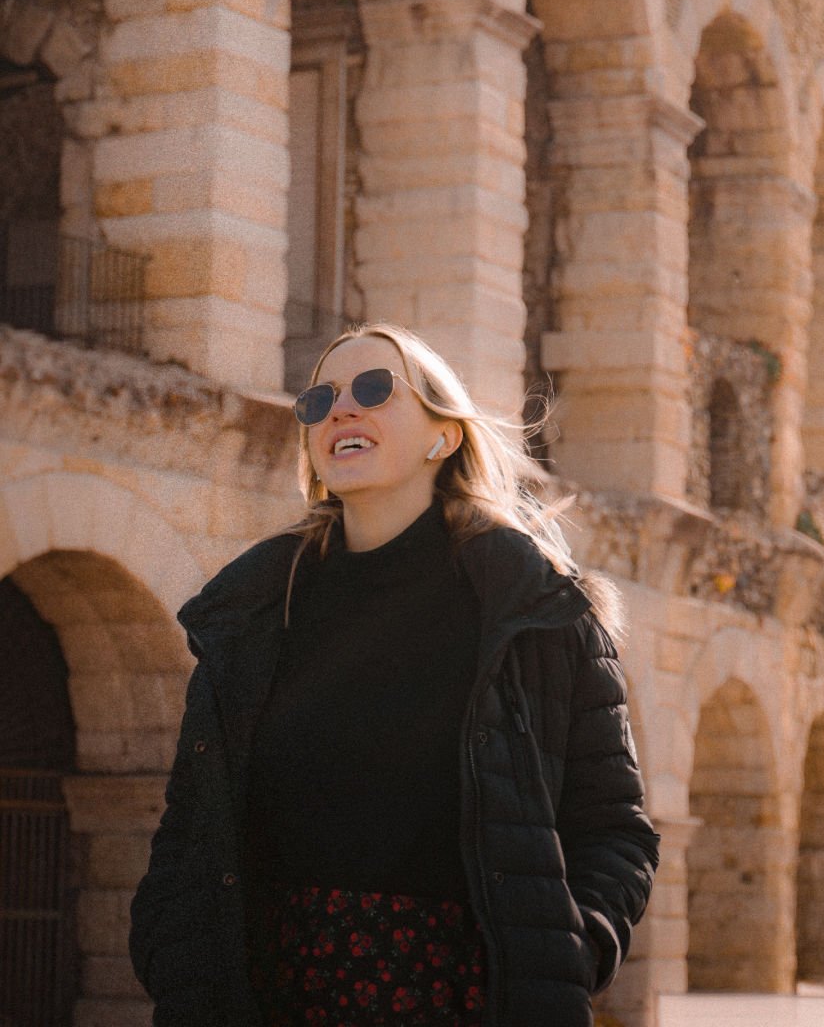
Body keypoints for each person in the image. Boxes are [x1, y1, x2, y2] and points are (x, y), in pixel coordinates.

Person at [130, 321, 659, 1026]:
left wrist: (567, 953)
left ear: (444, 437)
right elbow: (191, 825)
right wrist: (171, 957)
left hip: (465, 1002)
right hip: (268, 999)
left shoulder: (538, 613)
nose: (341, 410)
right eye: (319, 401)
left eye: (375, 390)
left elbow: (614, 830)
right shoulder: (251, 614)